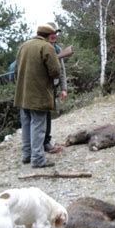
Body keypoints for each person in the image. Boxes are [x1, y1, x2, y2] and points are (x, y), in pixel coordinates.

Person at [14, 23, 62, 168]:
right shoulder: (47, 47)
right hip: (38, 94)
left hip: (22, 94)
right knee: (38, 127)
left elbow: (15, 70)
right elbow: (55, 71)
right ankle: (38, 159)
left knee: (26, 125)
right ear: (49, 35)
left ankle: (26, 155)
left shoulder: (24, 46)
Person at [44, 21, 68, 154]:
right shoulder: (40, 47)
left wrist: (63, 89)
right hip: (40, 88)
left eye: (56, 33)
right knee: (39, 118)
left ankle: (46, 142)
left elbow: (62, 71)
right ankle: (37, 145)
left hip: (52, 88)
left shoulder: (58, 49)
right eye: (52, 33)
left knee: (47, 115)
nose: (54, 35)